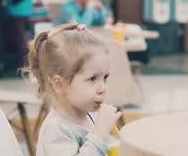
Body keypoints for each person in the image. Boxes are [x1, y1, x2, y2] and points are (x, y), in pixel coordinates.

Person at [22, 23, 122, 156]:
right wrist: (99, 134)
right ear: (59, 84)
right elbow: (97, 142)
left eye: (105, 77)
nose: (103, 87)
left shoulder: (91, 115)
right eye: (92, 78)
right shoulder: (56, 129)